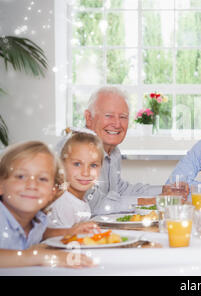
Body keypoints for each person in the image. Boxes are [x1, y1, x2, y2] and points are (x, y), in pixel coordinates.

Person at [57, 87, 163, 215]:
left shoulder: (113, 151)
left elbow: (119, 189)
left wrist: (165, 191)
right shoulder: (76, 148)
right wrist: (146, 201)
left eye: (123, 117)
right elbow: (95, 204)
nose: (117, 124)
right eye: (109, 115)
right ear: (88, 118)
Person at [0, 141, 94, 268]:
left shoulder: (37, 220)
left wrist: (69, 231)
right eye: (21, 176)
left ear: (52, 192)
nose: (32, 185)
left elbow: (40, 233)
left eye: (42, 179)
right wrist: (42, 256)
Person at [45, 131, 104, 236]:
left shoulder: (78, 200)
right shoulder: (64, 203)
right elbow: (65, 243)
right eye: (77, 164)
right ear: (62, 165)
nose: (85, 172)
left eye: (93, 165)